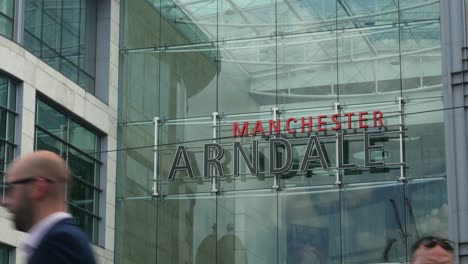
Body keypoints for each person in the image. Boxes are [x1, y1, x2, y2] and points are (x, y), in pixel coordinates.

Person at [3, 151, 96, 264]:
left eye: (11, 188)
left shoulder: (57, 244)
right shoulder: (62, 241)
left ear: (38, 187)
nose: (4, 201)